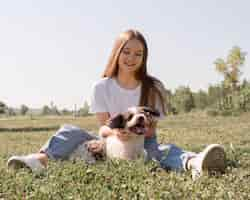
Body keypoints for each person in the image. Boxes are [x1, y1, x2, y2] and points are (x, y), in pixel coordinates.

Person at [7, 29, 226, 180]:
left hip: (143, 140)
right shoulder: (101, 87)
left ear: (144, 57)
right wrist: (115, 134)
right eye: (127, 52)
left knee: (161, 151)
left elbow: (151, 131)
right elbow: (104, 126)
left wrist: (137, 134)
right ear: (117, 53)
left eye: (138, 54)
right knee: (69, 131)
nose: (132, 58)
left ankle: (195, 163)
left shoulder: (153, 87)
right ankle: (36, 161)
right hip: (110, 139)